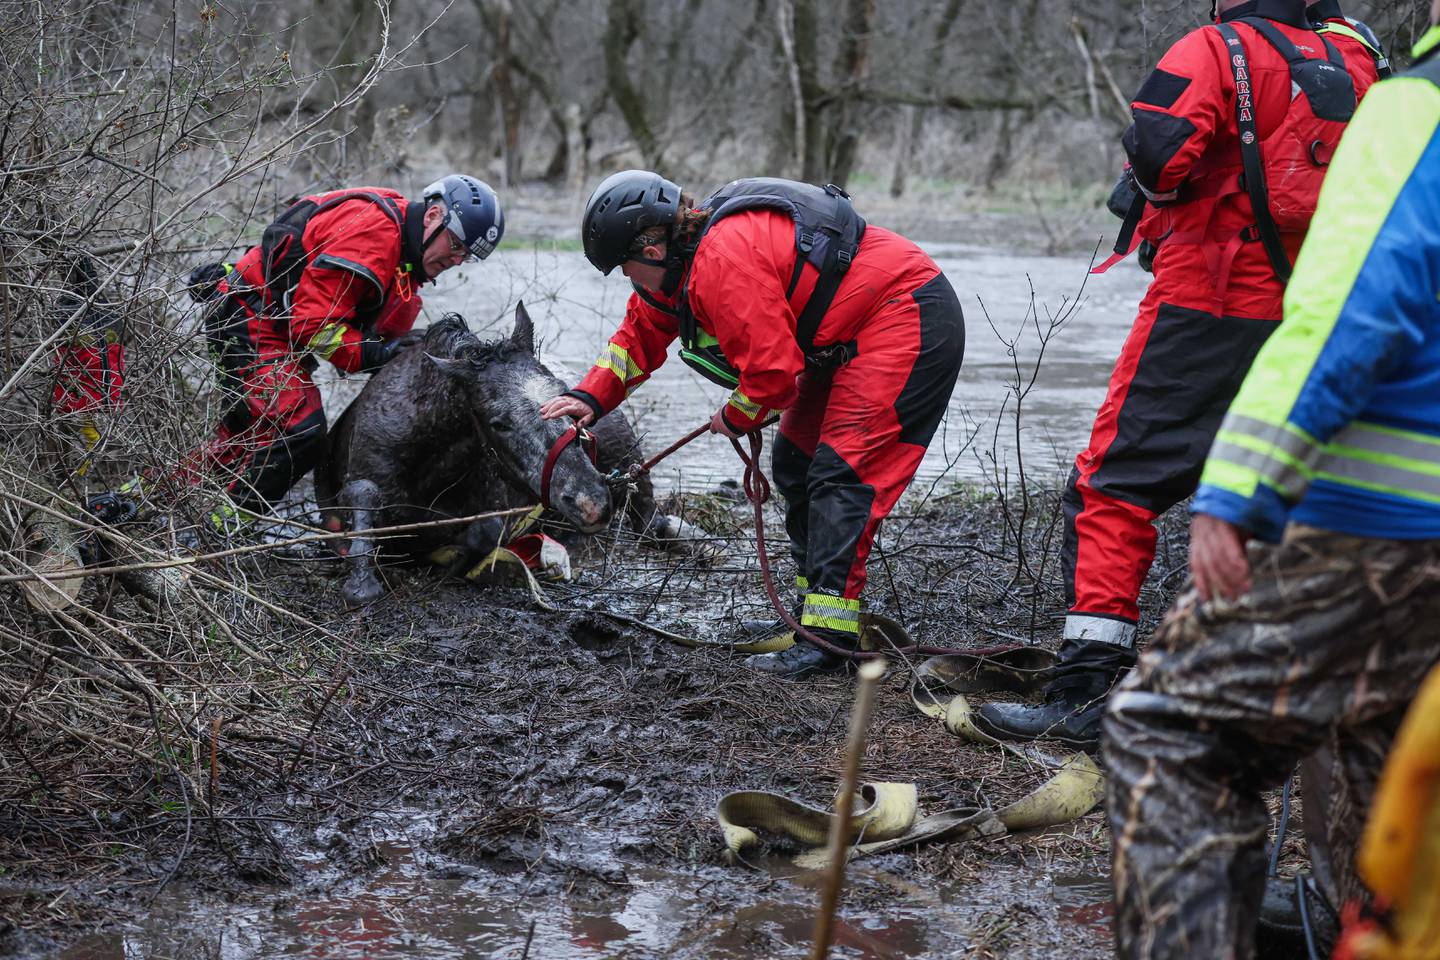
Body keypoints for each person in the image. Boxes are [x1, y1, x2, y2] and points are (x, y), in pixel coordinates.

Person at [1103, 11, 1440, 954]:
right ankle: (1360, 917)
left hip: (1386, 504)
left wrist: (1247, 486)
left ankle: (1084, 670)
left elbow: (1358, 298)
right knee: (1392, 764)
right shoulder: (1365, 67)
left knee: (1169, 736)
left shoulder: (1418, 101)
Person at [975, 0, 1380, 746]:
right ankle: (1273, 697)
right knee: (1283, 493)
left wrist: (1162, 196)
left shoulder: (1213, 48)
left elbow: (1160, 150)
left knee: (1113, 488)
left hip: (1207, 301)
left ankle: (1083, 693)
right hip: (1319, 309)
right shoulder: (1360, 58)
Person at [541, 172, 964, 678]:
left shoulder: (722, 260)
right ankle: (818, 622)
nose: (626, 278)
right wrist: (590, 396)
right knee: (794, 464)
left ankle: (828, 640)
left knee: (842, 476)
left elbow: (772, 378)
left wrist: (734, 416)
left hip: (905, 316)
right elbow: (639, 334)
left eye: (625, 267)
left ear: (651, 248)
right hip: (843, 340)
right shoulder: (678, 269)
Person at [187, 175, 504, 514]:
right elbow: (314, 326)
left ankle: (142, 497)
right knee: (298, 432)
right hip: (248, 318)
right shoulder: (375, 237)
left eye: (466, 256)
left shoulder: (406, 263)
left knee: (242, 436)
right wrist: (375, 353)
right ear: (433, 217)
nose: (457, 260)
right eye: (456, 245)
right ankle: (224, 529)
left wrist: (389, 351)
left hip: (268, 322)